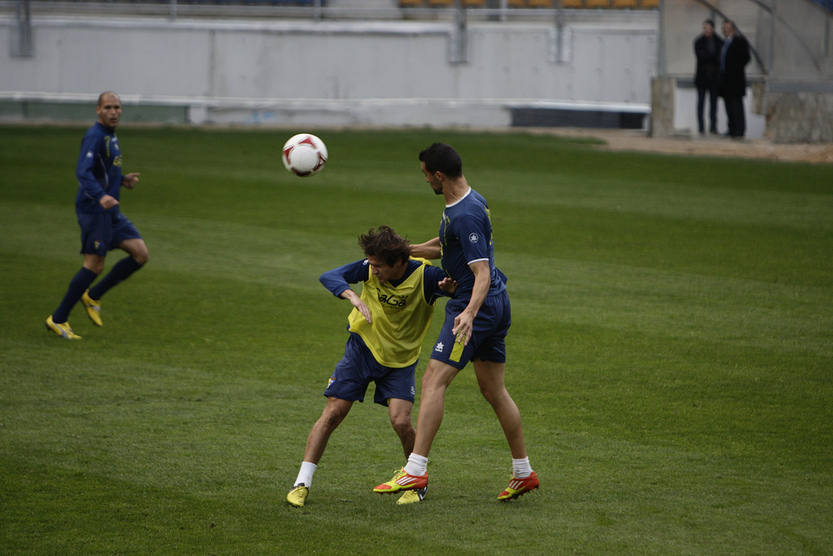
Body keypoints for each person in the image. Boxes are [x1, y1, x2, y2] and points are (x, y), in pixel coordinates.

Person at [373, 143, 538, 502]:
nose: (425, 180)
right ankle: (523, 472)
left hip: (475, 306)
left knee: (433, 379)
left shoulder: (464, 214)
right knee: (494, 391)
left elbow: (480, 272)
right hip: (497, 302)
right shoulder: (466, 201)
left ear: (439, 175)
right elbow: (449, 247)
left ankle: (415, 471)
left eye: (425, 174)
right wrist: (406, 250)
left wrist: (469, 313)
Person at [286, 226, 454, 508]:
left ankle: (416, 480)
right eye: (371, 264)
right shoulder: (370, 268)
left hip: (401, 360)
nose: (372, 271)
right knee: (333, 414)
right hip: (362, 349)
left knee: (401, 421)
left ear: (399, 263)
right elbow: (330, 276)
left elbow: (457, 285)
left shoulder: (426, 277)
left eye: (378, 266)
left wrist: (450, 290)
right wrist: (352, 296)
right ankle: (301, 482)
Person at [45, 91, 148, 340]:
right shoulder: (94, 136)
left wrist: (122, 181)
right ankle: (58, 319)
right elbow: (83, 172)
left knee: (140, 254)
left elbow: (103, 170)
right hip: (95, 210)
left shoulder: (111, 136)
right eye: (108, 107)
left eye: (117, 107)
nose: (114, 112)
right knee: (94, 265)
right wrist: (101, 196)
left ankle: (93, 296)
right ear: (98, 110)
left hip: (111, 210)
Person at [719, 20, 751, 139]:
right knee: (728, 106)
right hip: (725, 80)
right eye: (724, 28)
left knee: (737, 105)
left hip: (736, 80)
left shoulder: (739, 41)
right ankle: (731, 129)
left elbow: (746, 58)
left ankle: (739, 131)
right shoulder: (724, 42)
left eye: (727, 28)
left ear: (733, 29)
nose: (725, 30)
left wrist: (736, 68)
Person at [693, 19, 724, 135]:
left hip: (714, 79)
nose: (705, 30)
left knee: (713, 105)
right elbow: (700, 56)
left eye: (707, 28)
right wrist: (712, 57)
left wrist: (712, 58)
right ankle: (701, 127)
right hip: (702, 78)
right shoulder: (698, 41)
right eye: (704, 28)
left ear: (713, 29)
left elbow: (719, 58)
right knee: (701, 103)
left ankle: (713, 127)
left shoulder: (719, 41)